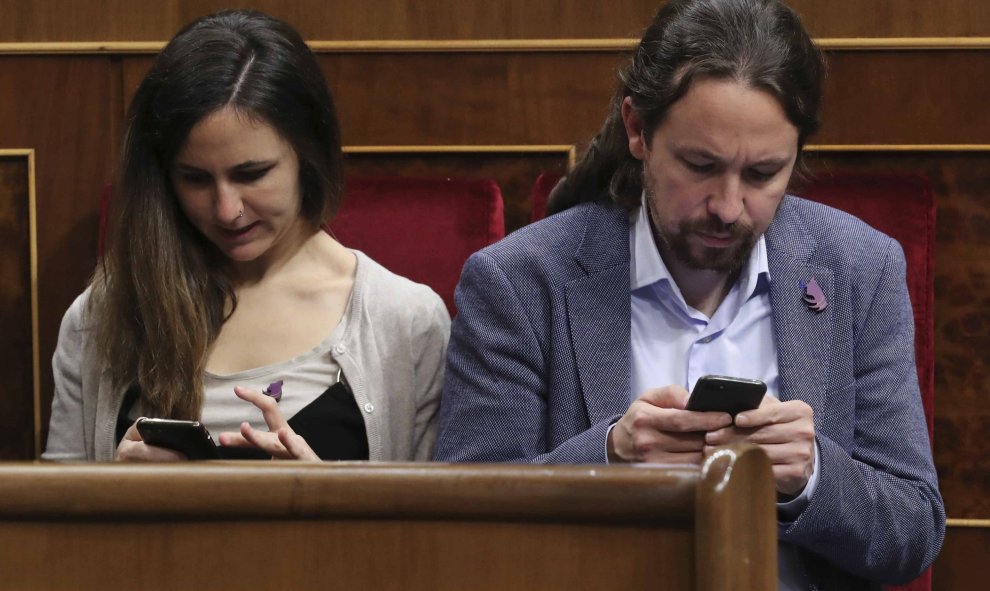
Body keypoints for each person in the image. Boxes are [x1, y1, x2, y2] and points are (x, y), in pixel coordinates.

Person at [434, 0, 943, 588]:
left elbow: (913, 532)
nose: (728, 207)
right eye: (700, 165)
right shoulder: (520, 279)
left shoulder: (859, 269)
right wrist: (608, 460)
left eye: (762, 175)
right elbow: (465, 521)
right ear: (637, 131)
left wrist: (813, 476)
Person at [43, 9, 449, 463]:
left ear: (308, 154)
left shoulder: (406, 322)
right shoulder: (103, 314)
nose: (227, 211)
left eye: (252, 174)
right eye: (194, 179)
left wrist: (322, 500)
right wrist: (124, 492)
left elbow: (428, 527)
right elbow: (60, 519)